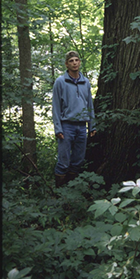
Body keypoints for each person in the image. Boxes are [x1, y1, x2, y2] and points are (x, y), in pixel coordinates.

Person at [52, 51, 96, 187]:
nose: (74, 63)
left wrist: (92, 126)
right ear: (66, 64)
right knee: (63, 161)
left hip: (82, 126)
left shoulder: (85, 82)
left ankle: (71, 190)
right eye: (71, 61)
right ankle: (59, 192)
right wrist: (58, 128)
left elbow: (90, 105)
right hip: (66, 126)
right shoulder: (60, 82)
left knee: (78, 161)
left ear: (80, 62)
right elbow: (55, 107)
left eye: (77, 60)